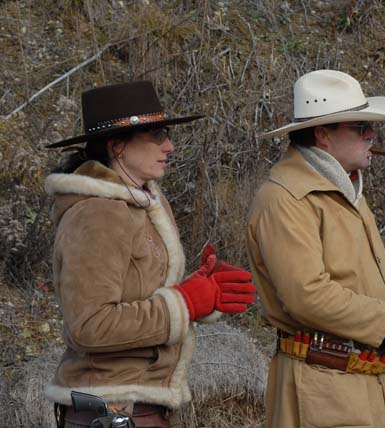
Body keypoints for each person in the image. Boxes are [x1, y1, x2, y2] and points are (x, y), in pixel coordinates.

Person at [43, 81, 256, 428]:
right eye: (157, 135)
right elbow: (90, 325)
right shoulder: (97, 212)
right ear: (118, 146)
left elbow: (136, 296)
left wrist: (198, 293)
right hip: (111, 412)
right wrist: (183, 304)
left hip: (137, 409)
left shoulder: (142, 203)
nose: (169, 146)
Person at [246, 69, 385, 428]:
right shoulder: (286, 199)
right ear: (323, 135)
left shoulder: (341, 189)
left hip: (359, 386)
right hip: (320, 392)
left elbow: (340, 272)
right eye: (360, 127)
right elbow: (307, 294)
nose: (372, 134)